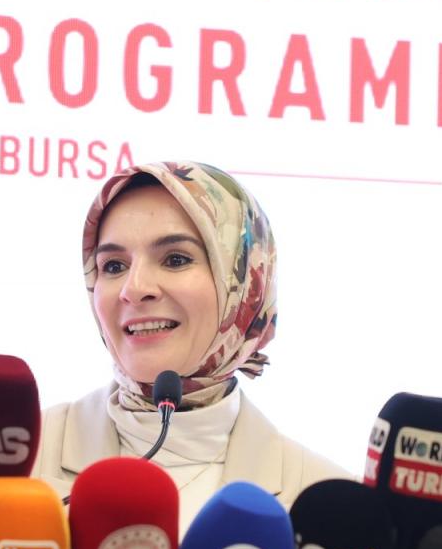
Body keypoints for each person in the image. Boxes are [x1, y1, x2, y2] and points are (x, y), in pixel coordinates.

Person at [31, 160, 349, 530]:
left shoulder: (326, 503)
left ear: (245, 284)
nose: (134, 289)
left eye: (176, 259)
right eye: (114, 266)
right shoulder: (20, 458)